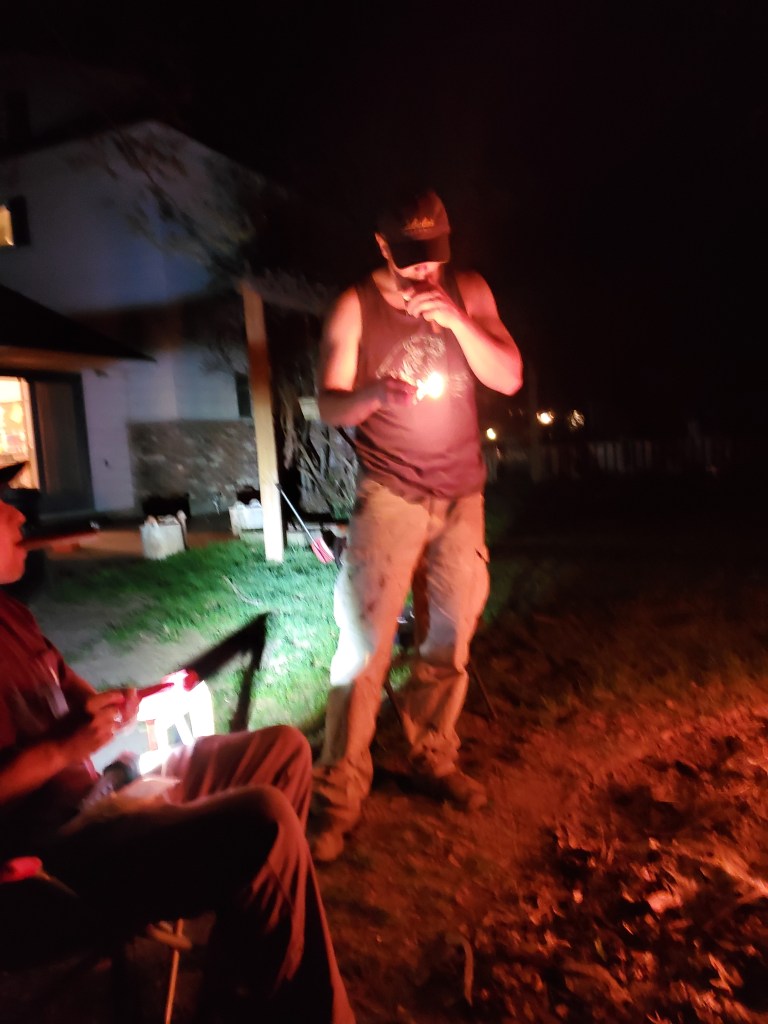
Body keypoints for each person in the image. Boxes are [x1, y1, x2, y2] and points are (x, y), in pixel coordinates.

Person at [0, 461, 355, 1024]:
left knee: (283, 751)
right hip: (49, 867)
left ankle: (235, 988)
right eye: (0, 506)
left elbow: (71, 693)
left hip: (102, 802)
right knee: (262, 821)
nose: (19, 515)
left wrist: (118, 705)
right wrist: (62, 751)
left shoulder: (11, 613)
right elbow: (52, 752)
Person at [311, 189, 523, 862]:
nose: (424, 271)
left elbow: (509, 377)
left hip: (461, 493)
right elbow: (329, 404)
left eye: (433, 257)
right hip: (390, 493)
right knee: (364, 647)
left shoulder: (467, 290)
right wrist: (374, 393)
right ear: (382, 247)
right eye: (410, 260)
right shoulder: (355, 305)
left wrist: (458, 320)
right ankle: (337, 797)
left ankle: (434, 757)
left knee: (449, 640)